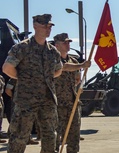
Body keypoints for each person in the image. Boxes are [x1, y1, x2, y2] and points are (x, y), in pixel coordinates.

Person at [2, 14, 63, 153]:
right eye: (45, 26)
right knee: (19, 136)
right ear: (35, 26)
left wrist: (45, 77)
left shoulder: (52, 51)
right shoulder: (22, 48)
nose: (48, 29)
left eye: (50, 27)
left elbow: (59, 70)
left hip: (47, 100)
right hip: (26, 99)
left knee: (49, 137)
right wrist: (23, 78)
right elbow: (7, 68)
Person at [53, 33, 91, 153]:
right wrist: (81, 65)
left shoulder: (73, 60)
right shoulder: (52, 59)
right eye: (65, 42)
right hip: (56, 104)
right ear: (57, 45)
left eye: (69, 42)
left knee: (74, 137)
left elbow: (77, 79)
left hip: (72, 103)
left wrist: (77, 86)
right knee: (54, 138)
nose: (68, 44)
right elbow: (63, 67)